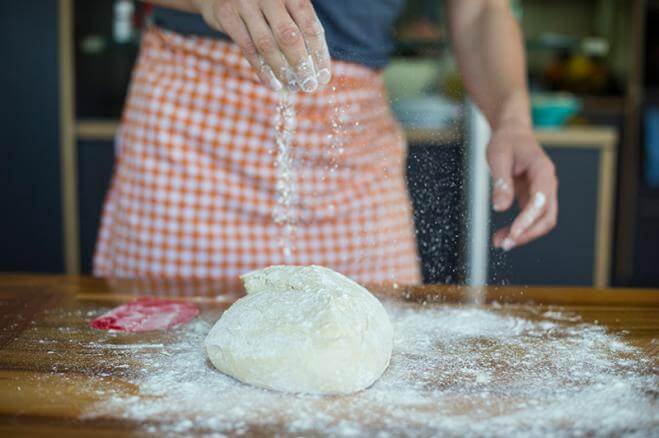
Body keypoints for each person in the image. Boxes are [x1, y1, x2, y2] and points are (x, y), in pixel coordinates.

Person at [94, 0, 558, 284]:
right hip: (190, 134)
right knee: (163, 365)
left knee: (371, 363)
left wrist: (513, 119)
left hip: (350, 141)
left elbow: (480, 9)